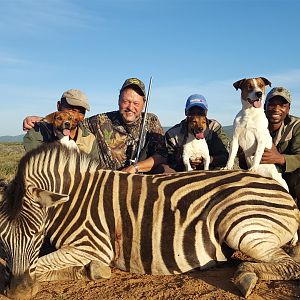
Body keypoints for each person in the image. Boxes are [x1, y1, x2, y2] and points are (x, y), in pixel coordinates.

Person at [23, 78, 168, 174]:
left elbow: (161, 156)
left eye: (136, 103)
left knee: (167, 172)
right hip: (105, 181)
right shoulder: (100, 120)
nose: (130, 107)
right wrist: (40, 119)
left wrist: (134, 168)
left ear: (144, 103)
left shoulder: (151, 120)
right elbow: (72, 121)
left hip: (139, 176)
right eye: (126, 101)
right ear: (118, 100)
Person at [23, 89, 100, 161]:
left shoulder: (89, 139)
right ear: (59, 105)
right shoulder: (38, 132)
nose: (75, 116)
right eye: (71, 109)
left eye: (81, 112)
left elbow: (93, 169)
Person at [165, 94, 229, 171]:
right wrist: (183, 161)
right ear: (186, 112)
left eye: (200, 112)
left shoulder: (214, 127)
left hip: (212, 171)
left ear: (206, 112)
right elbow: (167, 160)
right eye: (192, 112)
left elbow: (225, 156)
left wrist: (207, 160)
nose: (197, 116)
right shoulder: (172, 134)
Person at [261, 87, 300, 203]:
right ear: (265, 106)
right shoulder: (254, 123)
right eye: (272, 104)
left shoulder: (296, 126)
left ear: (288, 109)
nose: (276, 109)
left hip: (289, 177)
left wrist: (280, 159)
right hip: (261, 174)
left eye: (282, 105)